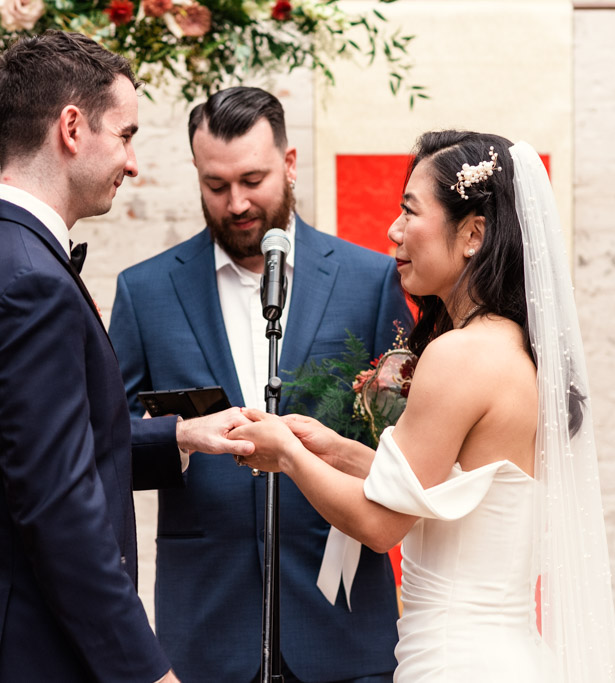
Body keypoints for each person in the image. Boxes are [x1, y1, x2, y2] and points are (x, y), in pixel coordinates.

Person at [0, 32, 252, 682]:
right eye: (125, 135)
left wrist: (179, 436)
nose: (132, 162)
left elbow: (15, 453)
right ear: (72, 126)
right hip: (36, 651)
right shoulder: (31, 282)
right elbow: (57, 505)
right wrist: (146, 670)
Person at [229, 131, 615, 682]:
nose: (393, 231)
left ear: (472, 234)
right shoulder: (512, 348)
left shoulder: (458, 355)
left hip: (455, 658)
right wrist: (335, 450)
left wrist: (288, 458)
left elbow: (382, 523)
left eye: (409, 211)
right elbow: (440, 493)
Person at [109, 86, 411, 682]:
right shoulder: (144, 294)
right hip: (204, 632)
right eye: (216, 186)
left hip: (341, 625)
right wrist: (183, 437)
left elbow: (402, 447)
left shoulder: (369, 278)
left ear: (290, 164)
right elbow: (105, 446)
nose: (237, 202)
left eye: (253, 179)